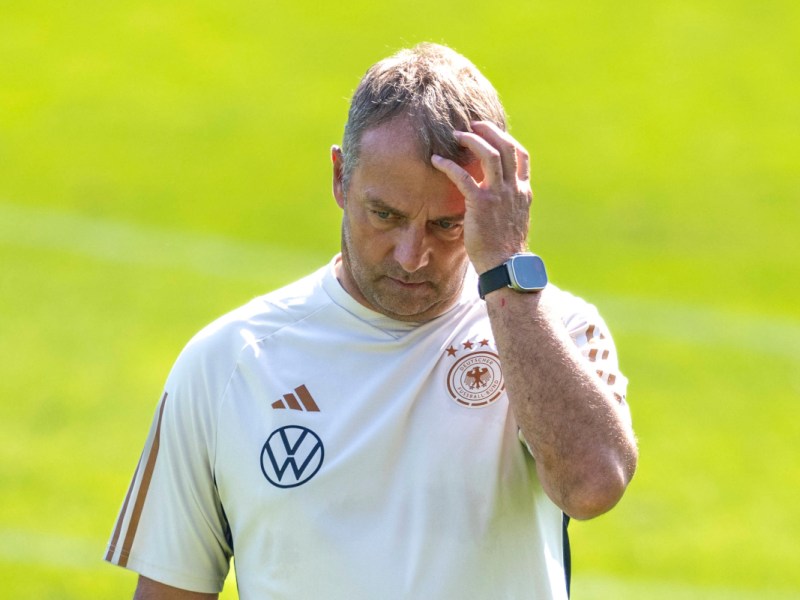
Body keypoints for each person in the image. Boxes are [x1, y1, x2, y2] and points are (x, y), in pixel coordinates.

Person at [105, 42, 638, 600]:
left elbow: (592, 486)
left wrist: (507, 265)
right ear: (341, 177)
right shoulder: (227, 362)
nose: (412, 255)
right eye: (385, 215)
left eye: (447, 225)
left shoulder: (555, 332)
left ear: (497, 207)